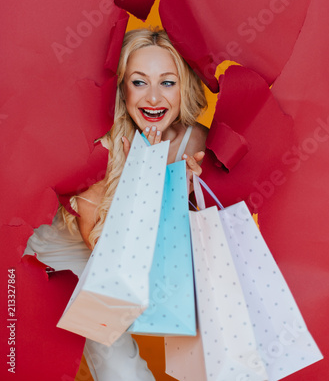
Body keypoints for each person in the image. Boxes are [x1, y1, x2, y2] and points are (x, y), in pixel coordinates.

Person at [24, 28, 208, 380]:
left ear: (183, 87)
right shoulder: (97, 142)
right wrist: (143, 180)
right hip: (66, 246)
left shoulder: (193, 140)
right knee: (113, 356)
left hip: (129, 255)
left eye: (167, 83)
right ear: (122, 88)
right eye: (139, 82)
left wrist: (184, 199)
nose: (153, 98)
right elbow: (99, 245)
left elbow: (197, 240)